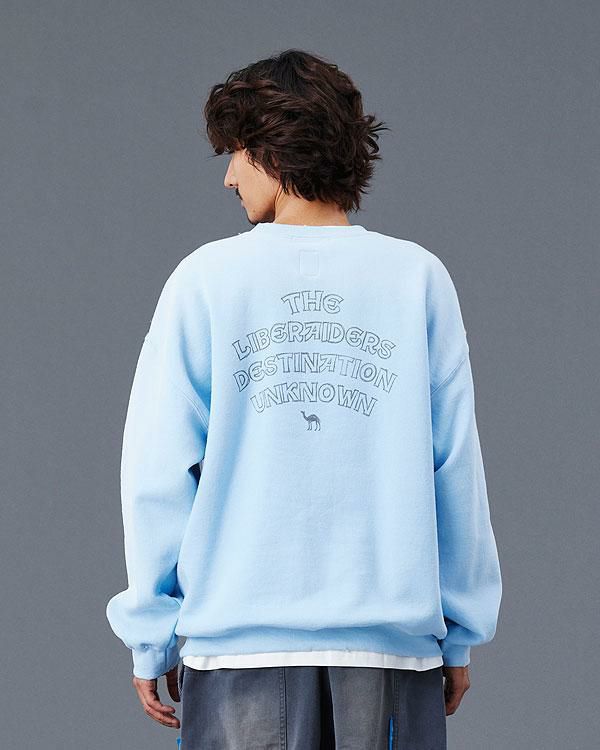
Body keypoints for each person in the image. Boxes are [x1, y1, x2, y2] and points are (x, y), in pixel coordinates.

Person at [105, 48, 502, 749]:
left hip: (238, 658)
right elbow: (456, 470)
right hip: (390, 657)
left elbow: (157, 473)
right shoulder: (416, 279)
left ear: (271, 148)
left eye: (235, 153)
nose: (229, 176)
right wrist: (461, 631)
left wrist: (151, 635)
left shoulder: (206, 280)